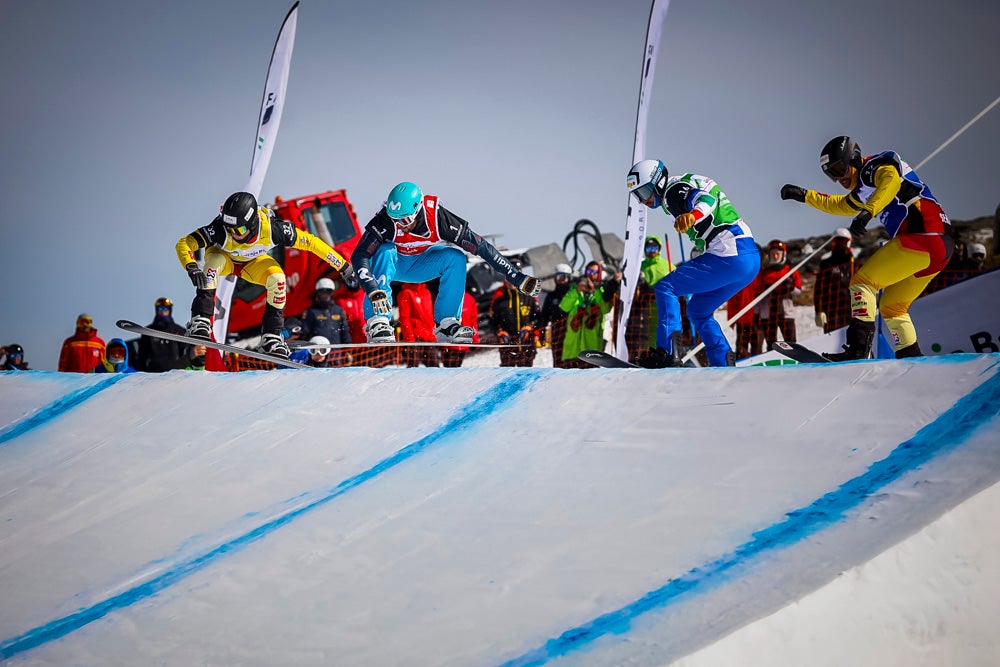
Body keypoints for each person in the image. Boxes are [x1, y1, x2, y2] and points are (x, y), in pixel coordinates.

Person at [780, 135, 953, 359]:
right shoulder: (864, 185)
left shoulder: (875, 167)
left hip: (924, 235)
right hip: (941, 247)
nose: (839, 177)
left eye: (841, 168)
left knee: (862, 283)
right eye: (831, 173)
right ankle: (911, 358)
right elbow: (841, 205)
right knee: (893, 307)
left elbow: (889, 182)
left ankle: (857, 349)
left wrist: (868, 212)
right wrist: (805, 196)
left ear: (855, 158)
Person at [350, 181, 541, 344]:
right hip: (394, 264)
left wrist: (515, 277)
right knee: (384, 249)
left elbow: (481, 247)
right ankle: (378, 320)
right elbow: (359, 255)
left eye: (405, 219)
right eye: (395, 219)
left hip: (421, 265)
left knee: (456, 257)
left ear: (417, 210)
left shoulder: (439, 218)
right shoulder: (385, 220)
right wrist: (373, 288)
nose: (399, 224)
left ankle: (446, 323)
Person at [175, 191, 354, 359]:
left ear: (252, 224)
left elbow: (313, 243)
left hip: (251, 263)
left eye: (239, 230)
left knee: (277, 279)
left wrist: (343, 266)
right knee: (213, 263)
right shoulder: (220, 229)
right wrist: (192, 266)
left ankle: (272, 336)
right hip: (225, 259)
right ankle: (201, 320)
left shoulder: (272, 230)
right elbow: (184, 243)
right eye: (229, 228)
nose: (233, 233)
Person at [627, 160, 760, 367]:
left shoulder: (673, 190)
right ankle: (723, 361)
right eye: (637, 196)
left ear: (657, 182)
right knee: (698, 309)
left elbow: (705, 199)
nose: (643, 200)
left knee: (666, 287)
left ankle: (667, 352)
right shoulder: (682, 183)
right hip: (749, 258)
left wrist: (693, 215)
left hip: (729, 252)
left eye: (644, 192)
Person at [559, 261, 615, 365]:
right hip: (572, 348)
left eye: (595, 271)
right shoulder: (575, 288)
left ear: (599, 273)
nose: (591, 274)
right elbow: (564, 306)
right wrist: (577, 291)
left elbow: (606, 309)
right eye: (589, 270)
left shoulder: (602, 290)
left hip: (591, 349)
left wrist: (595, 290)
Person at [756, 239, 801, 348]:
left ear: (783, 254)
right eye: (772, 254)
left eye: (778, 254)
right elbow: (757, 293)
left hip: (786, 313)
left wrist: (791, 288)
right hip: (768, 314)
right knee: (771, 344)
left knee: (791, 342)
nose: (775, 256)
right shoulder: (764, 273)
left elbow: (799, 293)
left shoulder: (791, 271)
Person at [490, 269, 540, 367]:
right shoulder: (499, 301)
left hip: (527, 344)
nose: (512, 283)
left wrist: (530, 327)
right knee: (507, 374)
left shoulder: (529, 298)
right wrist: (499, 332)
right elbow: (492, 322)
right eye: (509, 279)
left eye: (515, 279)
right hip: (507, 345)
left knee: (526, 375)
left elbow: (539, 318)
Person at [813, 228, 855, 333]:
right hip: (831, 310)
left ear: (848, 242)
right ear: (833, 242)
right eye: (837, 241)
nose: (840, 244)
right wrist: (819, 310)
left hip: (851, 308)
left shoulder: (854, 263)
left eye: (843, 241)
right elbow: (819, 289)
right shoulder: (826, 264)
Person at [137, 297, 188, 372]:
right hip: (153, 374)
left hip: (174, 374)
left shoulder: (179, 331)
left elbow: (184, 354)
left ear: (170, 311)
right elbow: (142, 356)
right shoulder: (148, 331)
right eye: (160, 309)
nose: (163, 312)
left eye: (165, 309)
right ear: (156, 310)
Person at [539, 263, 574, 368]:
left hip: (573, 333)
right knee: (559, 363)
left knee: (573, 362)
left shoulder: (574, 294)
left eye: (565, 277)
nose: (562, 280)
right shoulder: (551, 296)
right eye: (559, 277)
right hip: (558, 334)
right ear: (555, 278)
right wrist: (542, 333)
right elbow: (544, 316)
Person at [397, 282, 439, 367]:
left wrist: (433, 334)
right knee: (413, 366)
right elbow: (404, 318)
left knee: (435, 367)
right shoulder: (406, 293)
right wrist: (409, 338)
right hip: (415, 337)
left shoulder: (426, 292)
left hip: (428, 336)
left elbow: (430, 316)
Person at [302, 278, 352, 346]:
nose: (325, 295)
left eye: (328, 291)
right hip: (318, 352)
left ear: (332, 292)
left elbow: (345, 331)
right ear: (318, 293)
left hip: (336, 352)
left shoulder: (338, 310)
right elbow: (305, 332)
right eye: (322, 292)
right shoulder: (311, 311)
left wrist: (348, 349)